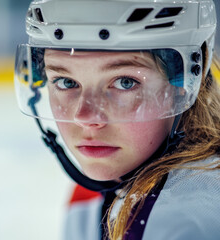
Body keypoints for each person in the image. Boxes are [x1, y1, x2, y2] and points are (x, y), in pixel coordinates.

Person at [14, 0, 220, 239]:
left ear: (186, 83)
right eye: (66, 82)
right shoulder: (89, 197)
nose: (85, 118)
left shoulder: (190, 222)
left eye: (125, 82)